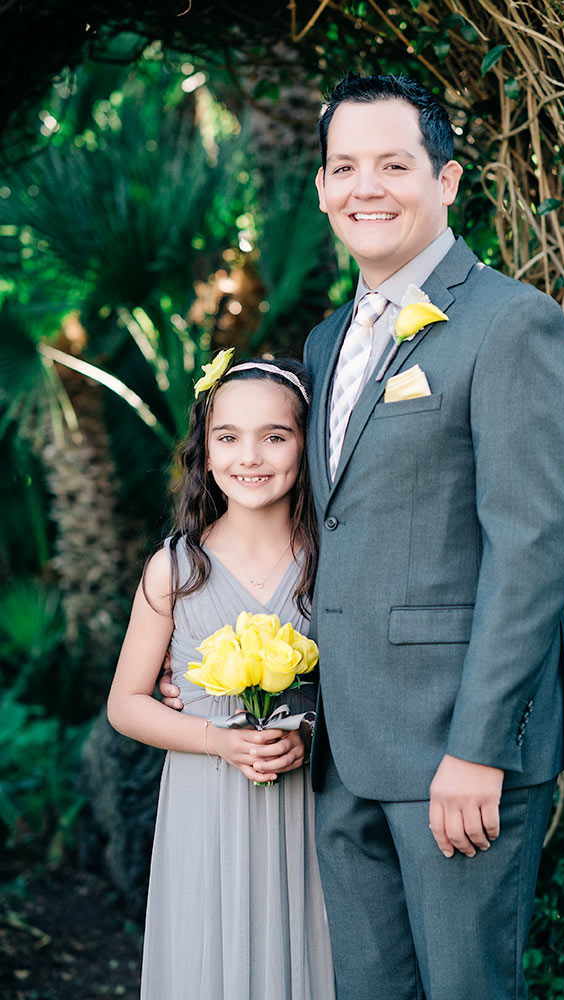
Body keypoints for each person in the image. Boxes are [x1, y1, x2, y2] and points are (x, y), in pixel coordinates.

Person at [162, 74, 564, 999]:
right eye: (344, 167)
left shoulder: (510, 323)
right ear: (319, 188)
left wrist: (480, 748)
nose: (366, 187)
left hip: (454, 752)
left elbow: (531, 548)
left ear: (446, 180)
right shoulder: (322, 343)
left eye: (393, 164)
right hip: (340, 747)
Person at [107, 356, 335, 1000]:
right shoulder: (175, 570)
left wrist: (311, 731)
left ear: (307, 444)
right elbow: (126, 703)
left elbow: (367, 682)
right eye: (228, 437)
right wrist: (215, 738)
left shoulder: (333, 563)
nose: (250, 456)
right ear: (204, 452)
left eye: (276, 435)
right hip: (207, 800)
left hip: (311, 804)